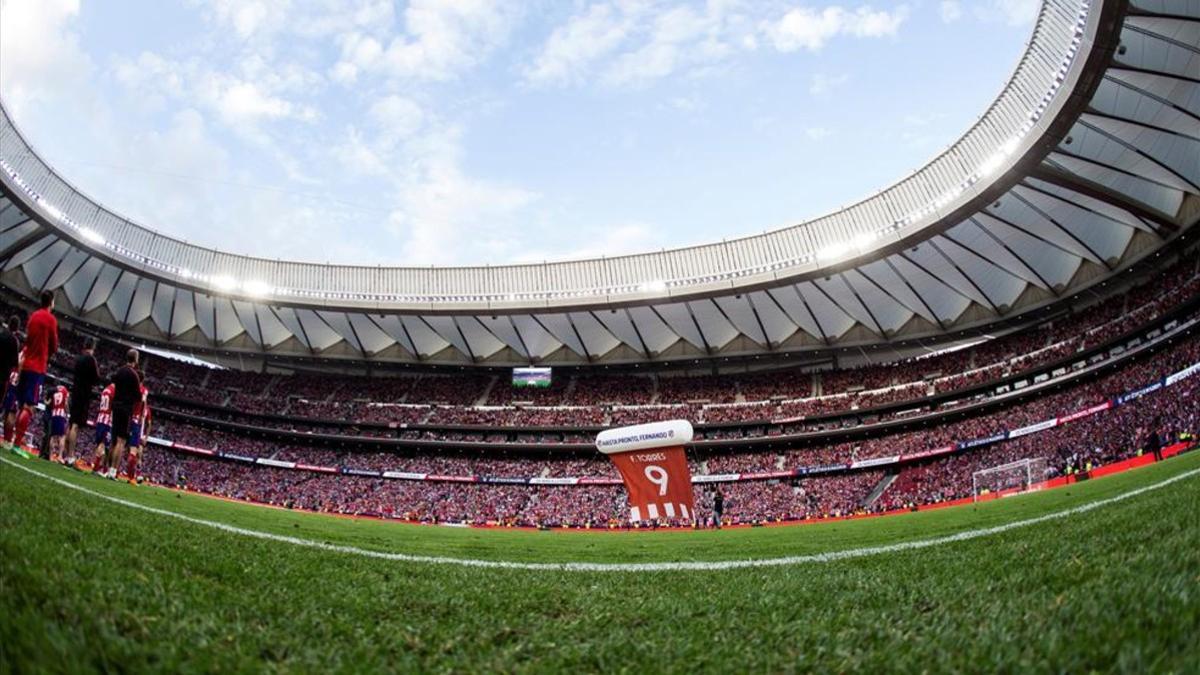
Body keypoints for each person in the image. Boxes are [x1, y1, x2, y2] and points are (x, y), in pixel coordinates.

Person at [12, 291, 57, 456]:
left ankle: (12, 441)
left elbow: (28, 340)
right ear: (51, 302)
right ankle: (17, 445)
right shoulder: (50, 319)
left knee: (20, 405)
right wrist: (47, 354)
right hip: (37, 367)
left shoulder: (33, 316)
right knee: (29, 407)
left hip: (25, 365)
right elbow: (54, 345)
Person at [105, 349, 141, 480]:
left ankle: (107, 469)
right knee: (121, 441)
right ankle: (114, 471)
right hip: (126, 409)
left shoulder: (119, 371)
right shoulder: (134, 375)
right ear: (136, 360)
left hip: (116, 406)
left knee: (114, 441)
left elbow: (113, 382)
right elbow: (138, 396)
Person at [65, 336, 101, 464]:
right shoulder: (91, 359)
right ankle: (70, 456)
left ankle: (66, 455)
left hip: (75, 392)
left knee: (71, 423)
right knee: (75, 425)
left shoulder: (78, 358)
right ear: (93, 347)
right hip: (84, 394)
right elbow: (96, 379)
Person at [124, 381, 150, 483]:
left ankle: (137, 474)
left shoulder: (147, 410)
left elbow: (149, 424)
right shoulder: (138, 404)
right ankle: (130, 475)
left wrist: (146, 437)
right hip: (135, 427)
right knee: (129, 452)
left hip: (140, 432)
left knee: (138, 453)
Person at [88, 382, 115, 473]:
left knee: (99, 444)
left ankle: (100, 467)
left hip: (100, 418)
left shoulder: (106, 389)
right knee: (103, 444)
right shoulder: (114, 391)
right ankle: (96, 467)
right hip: (107, 420)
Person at [0, 315, 19, 423]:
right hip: (3, 376)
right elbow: (15, 363)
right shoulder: (14, 341)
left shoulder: (1, 334)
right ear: (16, 328)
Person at [47, 383, 69, 463]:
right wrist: (67, 413)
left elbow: (48, 402)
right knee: (62, 436)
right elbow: (66, 403)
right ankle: (60, 456)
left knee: (53, 436)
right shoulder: (65, 390)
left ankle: (50, 456)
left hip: (54, 414)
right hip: (60, 414)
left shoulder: (54, 390)